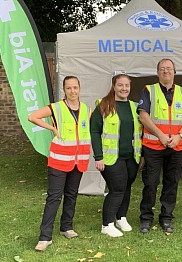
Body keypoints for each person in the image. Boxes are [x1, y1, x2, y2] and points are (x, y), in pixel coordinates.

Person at [28, 76, 91, 251]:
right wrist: (52, 128)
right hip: (59, 160)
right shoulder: (56, 108)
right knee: (54, 197)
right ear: (64, 90)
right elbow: (32, 117)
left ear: (80, 89)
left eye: (75, 88)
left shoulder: (86, 109)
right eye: (69, 88)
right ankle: (45, 236)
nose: (73, 91)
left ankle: (66, 227)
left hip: (78, 161)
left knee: (71, 195)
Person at [138, 58, 182, 234]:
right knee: (150, 183)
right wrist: (160, 135)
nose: (166, 71)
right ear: (157, 73)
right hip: (153, 146)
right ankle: (146, 218)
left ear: (174, 72)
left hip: (176, 147)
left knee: (172, 183)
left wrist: (179, 136)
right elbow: (143, 115)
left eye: (169, 69)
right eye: (162, 69)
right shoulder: (149, 90)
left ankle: (166, 217)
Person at [90, 74, 142, 238]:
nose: (124, 89)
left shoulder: (134, 107)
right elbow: (94, 131)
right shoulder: (103, 105)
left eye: (127, 85)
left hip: (131, 157)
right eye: (120, 85)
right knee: (117, 189)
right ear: (114, 86)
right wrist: (98, 157)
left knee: (126, 187)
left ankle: (121, 217)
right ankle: (107, 224)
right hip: (111, 157)